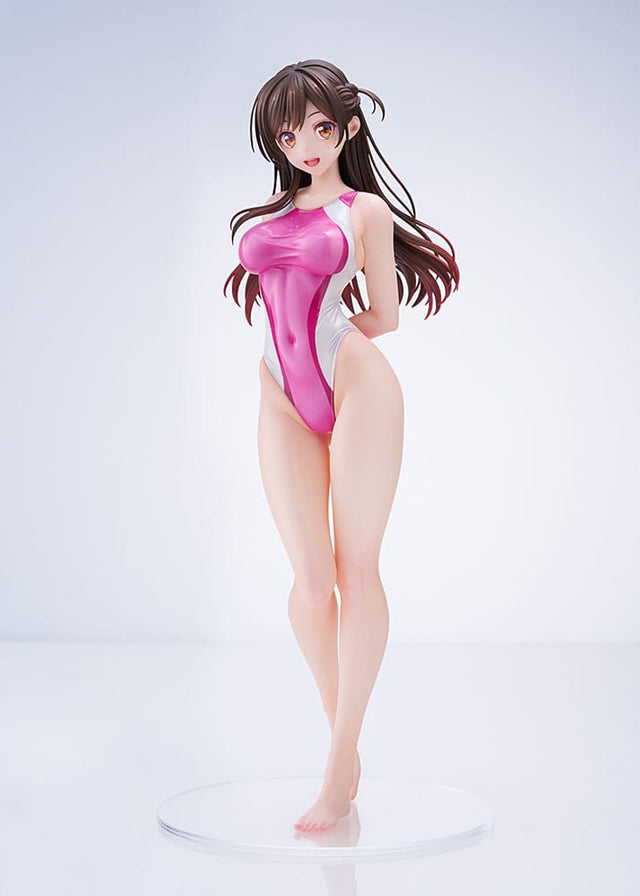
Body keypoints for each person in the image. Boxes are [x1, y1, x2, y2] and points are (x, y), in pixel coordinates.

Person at [223, 59, 460, 833]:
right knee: (310, 583)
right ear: (277, 141)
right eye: (289, 133)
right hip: (278, 392)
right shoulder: (272, 214)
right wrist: (293, 368)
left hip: (356, 382)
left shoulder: (364, 211)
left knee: (356, 575)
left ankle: (335, 774)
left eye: (320, 127)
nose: (306, 145)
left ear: (348, 129)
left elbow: (384, 315)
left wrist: (330, 344)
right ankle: (344, 740)